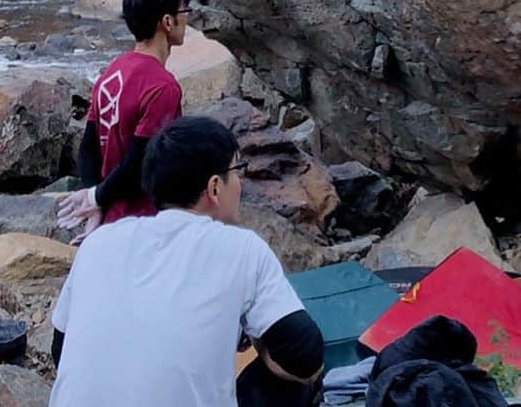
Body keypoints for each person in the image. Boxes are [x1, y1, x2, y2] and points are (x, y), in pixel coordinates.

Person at [49, 115, 324, 406]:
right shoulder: (242, 249)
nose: (240, 184)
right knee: (292, 384)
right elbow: (305, 359)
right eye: (237, 170)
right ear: (215, 187)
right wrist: (256, 337)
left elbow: (60, 350)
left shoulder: (99, 242)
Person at [57, 0, 189, 240]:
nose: (187, 17)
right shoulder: (162, 87)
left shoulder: (111, 72)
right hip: (144, 222)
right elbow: (142, 161)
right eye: (185, 10)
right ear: (167, 21)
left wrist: (98, 200)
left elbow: (89, 148)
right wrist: (96, 197)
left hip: (111, 217)